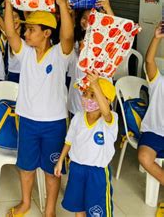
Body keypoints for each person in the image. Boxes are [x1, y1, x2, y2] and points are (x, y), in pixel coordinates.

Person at [3, 0, 74, 217]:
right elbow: (11, 32)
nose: (25, 33)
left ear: (46, 33)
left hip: (54, 124)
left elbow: (68, 35)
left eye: (31, 30)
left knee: (52, 169)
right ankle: (25, 203)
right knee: (26, 166)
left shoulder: (60, 54)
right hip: (28, 121)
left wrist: (62, 3)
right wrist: (8, 1)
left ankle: (50, 210)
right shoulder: (25, 54)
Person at [54, 71, 118, 217]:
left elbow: (106, 113)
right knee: (79, 206)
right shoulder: (78, 117)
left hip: (97, 173)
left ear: (106, 100)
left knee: (98, 210)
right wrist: (60, 161)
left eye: (93, 95)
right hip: (77, 169)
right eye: (85, 93)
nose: (86, 98)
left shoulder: (110, 120)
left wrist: (95, 84)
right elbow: (68, 141)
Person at [138, 22, 164, 187]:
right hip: (154, 131)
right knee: (144, 157)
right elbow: (149, 61)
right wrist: (156, 38)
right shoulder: (159, 82)